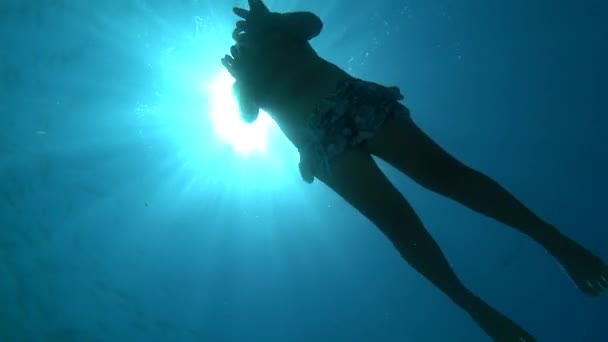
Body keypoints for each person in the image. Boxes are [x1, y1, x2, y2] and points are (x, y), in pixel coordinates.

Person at [220, 1, 607, 340]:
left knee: (445, 175)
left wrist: (273, 22)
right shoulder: (243, 76)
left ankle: (557, 243)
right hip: (320, 144)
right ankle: (474, 306)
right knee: (400, 226)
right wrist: (245, 79)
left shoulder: (279, 31)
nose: (243, 37)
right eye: (240, 39)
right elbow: (248, 116)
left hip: (347, 100)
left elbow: (313, 24)